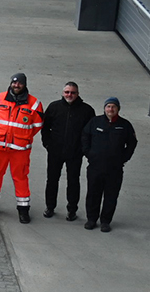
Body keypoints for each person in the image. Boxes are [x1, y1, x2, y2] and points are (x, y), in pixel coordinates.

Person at [0, 73, 43, 222]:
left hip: (20, 150)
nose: (16, 86)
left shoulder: (34, 104)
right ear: (11, 83)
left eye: (20, 83)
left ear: (24, 85)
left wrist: (22, 137)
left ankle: (23, 209)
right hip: (0, 147)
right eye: (14, 83)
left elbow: (37, 126)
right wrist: (2, 134)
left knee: (20, 178)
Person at [82, 98, 138, 232]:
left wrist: (123, 158)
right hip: (95, 166)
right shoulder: (95, 122)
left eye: (113, 107)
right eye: (108, 106)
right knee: (93, 194)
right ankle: (91, 219)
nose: (110, 109)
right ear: (104, 108)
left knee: (111, 196)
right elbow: (85, 136)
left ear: (118, 109)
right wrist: (89, 154)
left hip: (115, 169)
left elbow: (132, 143)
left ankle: (105, 221)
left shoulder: (125, 125)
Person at [41, 82, 94, 219]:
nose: (69, 95)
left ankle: (72, 210)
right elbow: (45, 127)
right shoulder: (54, 107)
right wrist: (47, 144)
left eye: (72, 92)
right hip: (55, 152)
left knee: (73, 181)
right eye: (67, 92)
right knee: (52, 180)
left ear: (78, 94)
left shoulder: (87, 110)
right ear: (63, 93)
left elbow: (90, 133)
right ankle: (50, 207)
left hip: (75, 153)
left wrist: (84, 149)